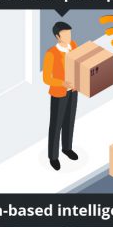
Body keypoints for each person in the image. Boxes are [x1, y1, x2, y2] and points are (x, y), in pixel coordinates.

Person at [43, 21, 78, 171]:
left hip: (73, 91)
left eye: (70, 33)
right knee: (56, 125)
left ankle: (67, 148)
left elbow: (78, 65)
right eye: (65, 34)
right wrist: (62, 83)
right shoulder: (51, 54)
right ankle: (53, 157)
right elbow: (46, 78)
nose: (69, 36)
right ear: (58, 36)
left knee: (70, 121)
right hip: (59, 93)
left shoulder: (74, 46)